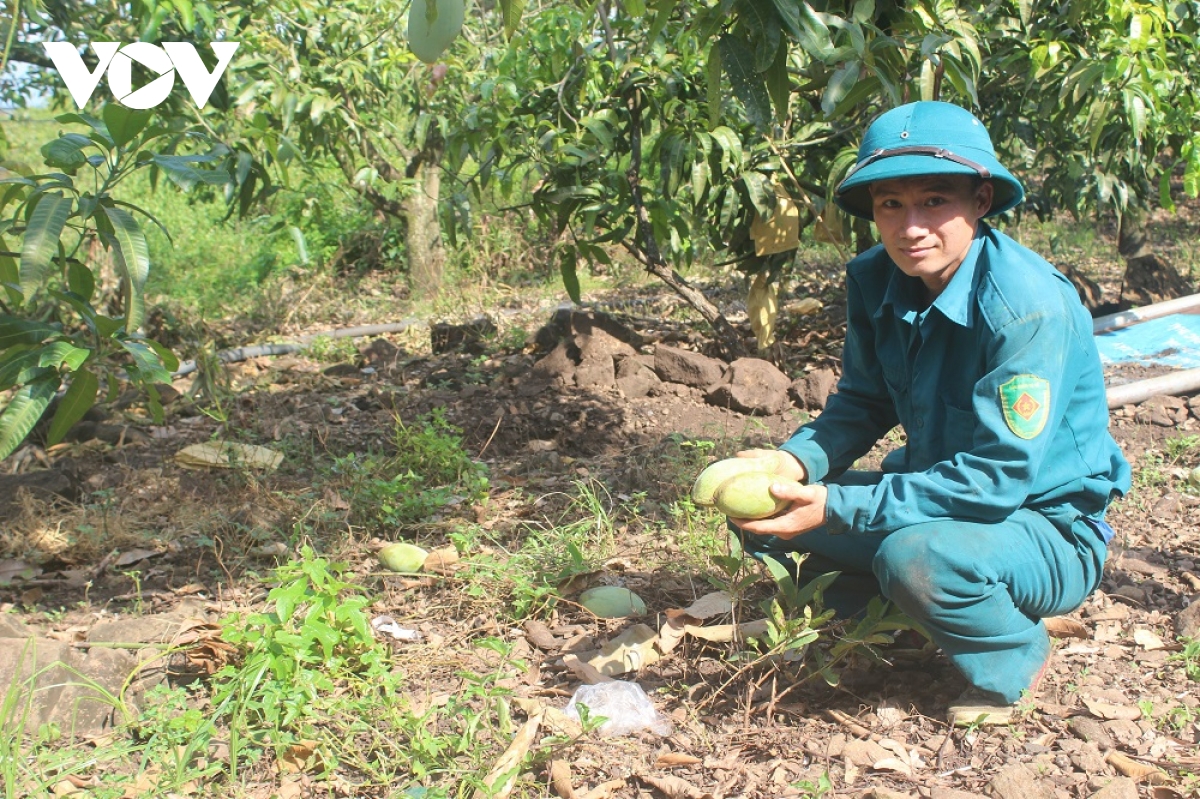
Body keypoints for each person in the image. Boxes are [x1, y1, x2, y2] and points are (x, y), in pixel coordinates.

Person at [729, 101, 1131, 726]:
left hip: (1046, 527)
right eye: (891, 205)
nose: (911, 227)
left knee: (916, 558)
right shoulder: (874, 278)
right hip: (938, 501)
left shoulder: (1024, 308)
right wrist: (794, 460)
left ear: (980, 199)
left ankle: (1012, 654)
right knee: (760, 513)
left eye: (935, 201)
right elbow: (863, 400)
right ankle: (883, 624)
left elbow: (998, 480)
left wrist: (837, 505)